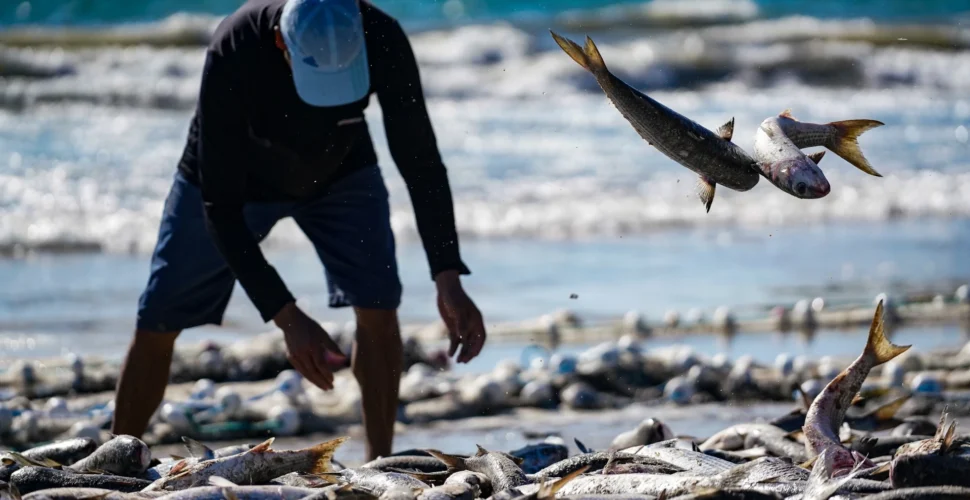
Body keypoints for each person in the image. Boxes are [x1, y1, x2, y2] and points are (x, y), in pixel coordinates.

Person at [110, 0, 487, 461]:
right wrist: (287, 317)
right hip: (233, 183)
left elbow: (421, 161)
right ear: (280, 43)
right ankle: (114, 463)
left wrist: (447, 274)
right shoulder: (236, 44)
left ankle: (379, 464)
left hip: (340, 171)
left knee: (379, 305)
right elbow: (220, 210)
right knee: (159, 316)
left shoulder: (382, 37)